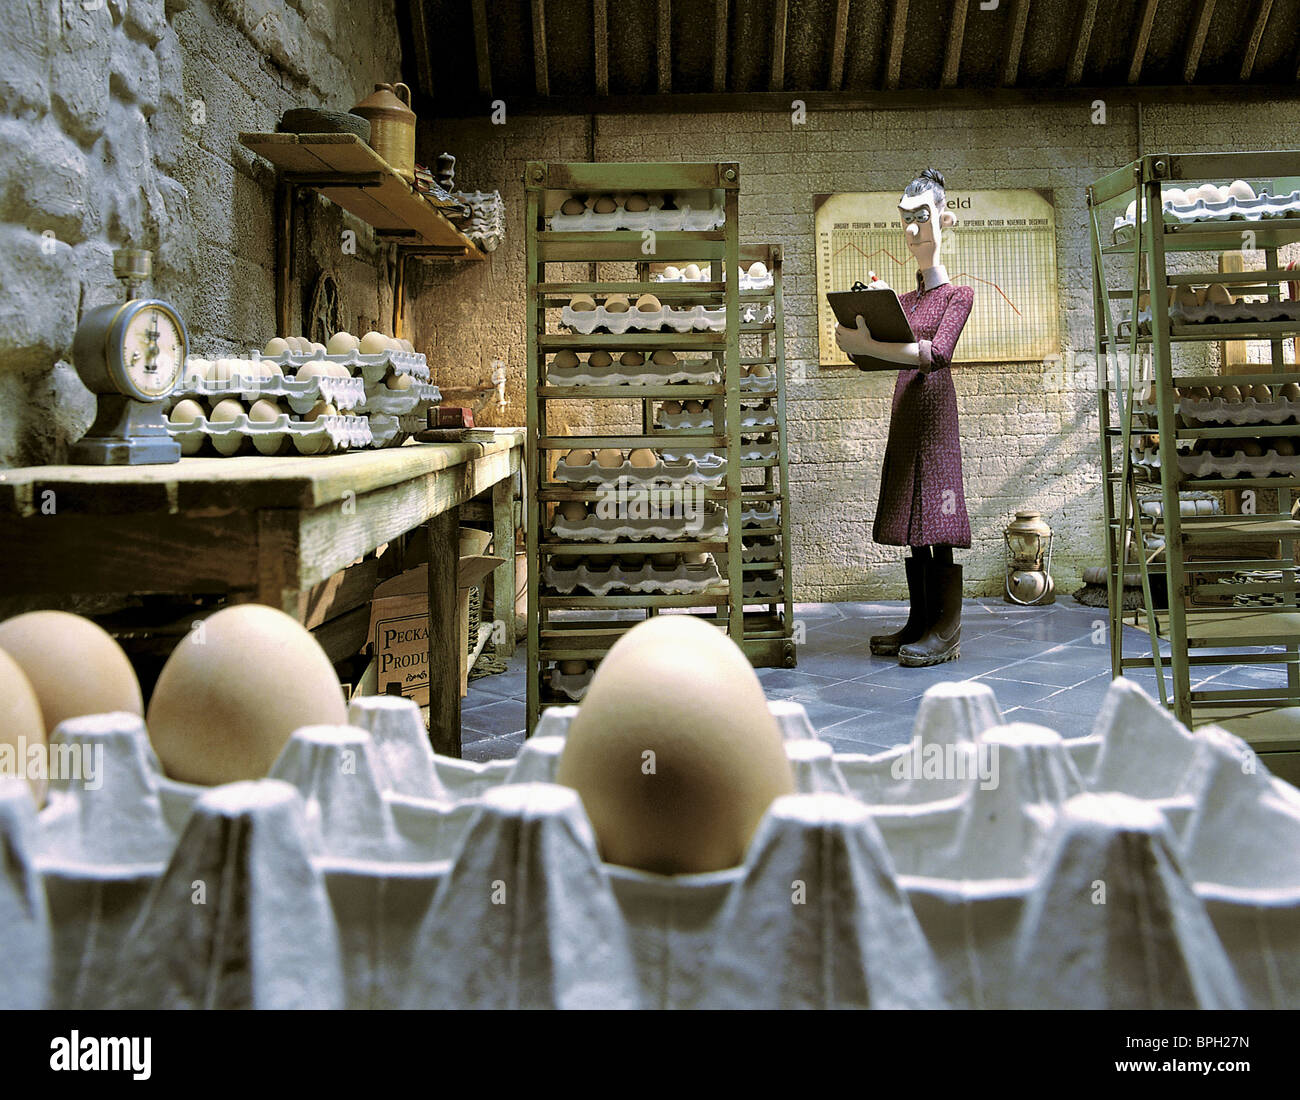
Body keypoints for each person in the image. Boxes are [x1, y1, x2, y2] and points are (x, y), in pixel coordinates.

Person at [835, 168, 974, 667]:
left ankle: (947, 630)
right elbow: (892, 354)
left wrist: (871, 343)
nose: (913, 230)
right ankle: (920, 621)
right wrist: (864, 329)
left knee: (935, 521)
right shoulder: (907, 299)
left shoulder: (958, 296)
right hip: (906, 407)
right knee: (913, 522)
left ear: (946, 219)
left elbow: (936, 354)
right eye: (906, 220)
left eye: (922, 217)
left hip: (935, 409)